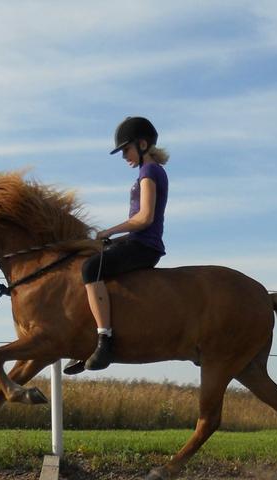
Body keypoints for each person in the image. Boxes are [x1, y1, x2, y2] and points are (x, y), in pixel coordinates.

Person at [65, 116, 169, 374]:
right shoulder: (148, 171)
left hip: (145, 247)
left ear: (142, 144)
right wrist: (115, 240)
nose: (124, 156)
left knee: (91, 269)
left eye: (126, 149)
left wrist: (109, 231)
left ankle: (104, 340)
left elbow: (145, 218)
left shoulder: (149, 172)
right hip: (138, 242)